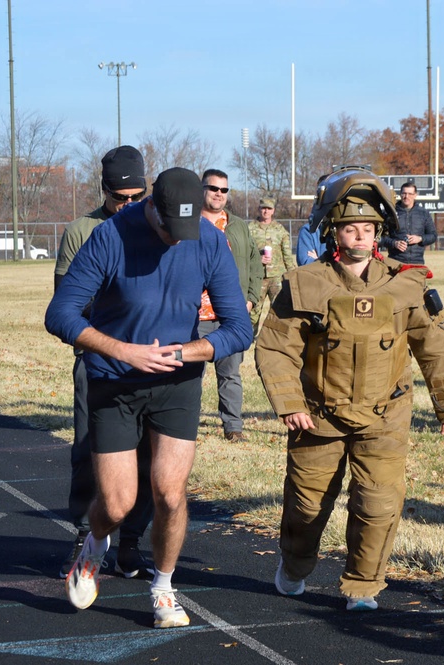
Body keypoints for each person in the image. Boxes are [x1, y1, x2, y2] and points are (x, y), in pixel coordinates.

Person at [255, 166, 444, 611]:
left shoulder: (406, 283)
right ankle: (295, 566)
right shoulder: (305, 284)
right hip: (316, 416)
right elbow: (275, 347)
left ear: (380, 232)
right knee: (306, 507)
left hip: (385, 415)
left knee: (377, 505)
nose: (359, 236)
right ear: (334, 232)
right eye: (350, 228)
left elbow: (438, 346)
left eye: (367, 228)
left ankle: (363, 585)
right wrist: (290, 403)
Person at [45, 167, 253, 629]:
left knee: (170, 493)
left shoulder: (208, 239)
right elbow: (59, 314)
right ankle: (95, 544)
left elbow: (240, 328)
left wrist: (188, 352)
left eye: (186, 230)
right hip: (114, 378)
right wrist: (124, 351)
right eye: (166, 229)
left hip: (177, 381)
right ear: (149, 207)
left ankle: (162, 587)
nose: (176, 240)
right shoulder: (109, 236)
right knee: (117, 504)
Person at [53, 145, 155, 579]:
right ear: (104, 191)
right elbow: (67, 303)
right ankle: (84, 536)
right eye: (120, 198)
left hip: (150, 362)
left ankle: (130, 543)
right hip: (98, 360)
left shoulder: (159, 224)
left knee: (148, 456)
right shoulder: (82, 230)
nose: (128, 205)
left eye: (137, 197)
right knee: (87, 449)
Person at [197, 169, 259, 442]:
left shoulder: (238, 226)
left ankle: (233, 428)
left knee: (230, 374)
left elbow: (255, 263)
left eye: (224, 190)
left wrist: (250, 298)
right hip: (195, 317)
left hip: (231, 316)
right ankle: (184, 427)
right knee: (189, 376)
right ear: (202, 190)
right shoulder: (187, 224)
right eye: (213, 188)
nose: (219, 194)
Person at [248, 197, 295, 333]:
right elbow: (245, 253)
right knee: (254, 309)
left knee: (279, 309)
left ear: (273, 211)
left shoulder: (280, 230)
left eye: (269, 209)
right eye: (263, 208)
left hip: (276, 277)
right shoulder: (250, 229)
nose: (266, 211)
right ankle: (249, 337)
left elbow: (287, 255)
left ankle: (275, 337)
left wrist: (292, 275)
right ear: (259, 209)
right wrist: (257, 259)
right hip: (257, 276)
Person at [379, 181, 437, 263]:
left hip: (417, 262)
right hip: (395, 262)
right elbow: (379, 238)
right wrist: (394, 243)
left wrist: (420, 239)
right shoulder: (390, 212)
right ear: (400, 194)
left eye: (410, 194)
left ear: (415, 195)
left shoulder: (424, 213)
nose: (406, 196)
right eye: (404, 193)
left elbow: (433, 236)